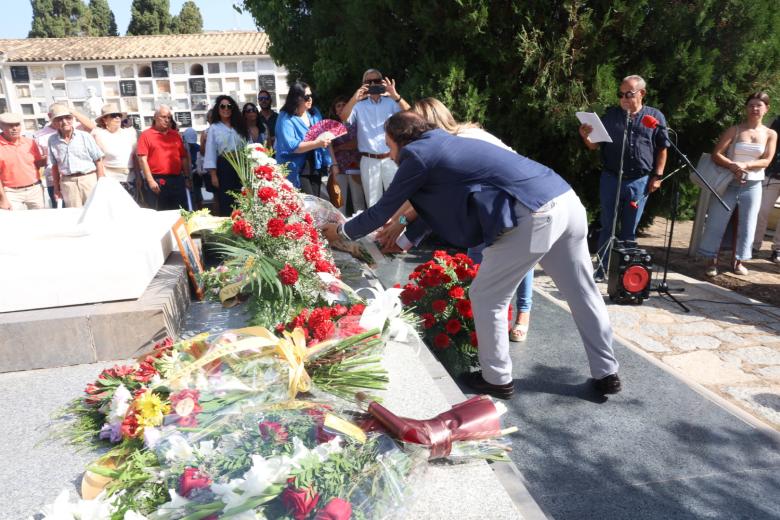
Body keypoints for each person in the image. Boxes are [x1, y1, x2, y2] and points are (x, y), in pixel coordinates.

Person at [324, 111, 621, 399]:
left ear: (402, 140)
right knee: (583, 292)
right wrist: (405, 241)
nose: (390, 155)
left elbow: (382, 210)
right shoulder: (445, 143)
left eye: (389, 147)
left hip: (536, 212)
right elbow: (434, 207)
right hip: (565, 200)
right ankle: (607, 372)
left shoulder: (417, 154)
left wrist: (341, 232)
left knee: (487, 295)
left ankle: (497, 379)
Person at [377, 97, 535, 341]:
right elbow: (419, 196)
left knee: (519, 264)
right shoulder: (439, 148)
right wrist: (393, 227)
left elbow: (430, 204)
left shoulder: (461, 141)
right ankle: (477, 321)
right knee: (474, 266)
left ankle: (520, 314)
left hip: (515, 203)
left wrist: (399, 230)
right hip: (483, 209)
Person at [579, 74, 670, 281]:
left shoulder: (654, 117)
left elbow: (663, 149)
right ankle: (601, 269)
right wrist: (586, 136)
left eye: (628, 94)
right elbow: (594, 146)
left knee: (629, 229)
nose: (624, 99)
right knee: (607, 225)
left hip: (639, 181)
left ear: (641, 93)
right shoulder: (611, 116)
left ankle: (625, 273)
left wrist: (657, 176)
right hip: (611, 178)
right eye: (620, 95)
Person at [698, 92, 777, 276]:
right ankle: (711, 261)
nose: (754, 109)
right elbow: (717, 154)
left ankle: (738, 261)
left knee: (747, 224)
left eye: (759, 105)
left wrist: (746, 165)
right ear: (746, 107)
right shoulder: (735, 129)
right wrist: (733, 166)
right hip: (728, 182)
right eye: (751, 105)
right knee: (717, 221)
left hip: (753, 184)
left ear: (766, 108)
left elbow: (767, 160)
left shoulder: (770, 133)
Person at [340, 68, 411, 207]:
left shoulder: (391, 102)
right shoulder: (358, 105)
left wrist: (395, 95)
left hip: (390, 158)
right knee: (373, 204)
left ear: (382, 82)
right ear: (363, 84)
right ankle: (377, 230)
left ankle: (399, 228)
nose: (373, 84)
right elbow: (343, 117)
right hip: (369, 160)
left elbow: (411, 114)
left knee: (397, 201)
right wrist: (355, 97)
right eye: (369, 82)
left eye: (376, 81)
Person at [275, 81, 338, 195]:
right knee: (306, 205)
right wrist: (317, 143)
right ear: (296, 98)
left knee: (316, 204)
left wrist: (333, 163)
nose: (310, 99)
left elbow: (326, 139)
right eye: (306, 96)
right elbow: (292, 147)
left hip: (315, 166)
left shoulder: (314, 113)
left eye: (311, 96)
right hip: (296, 169)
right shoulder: (285, 118)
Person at [48, 105, 105, 208]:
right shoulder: (52, 140)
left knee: (95, 211)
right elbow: (54, 166)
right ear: (54, 122)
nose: (65, 122)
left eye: (68, 118)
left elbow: (98, 160)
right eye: (60, 119)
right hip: (68, 183)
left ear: (73, 119)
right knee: (74, 214)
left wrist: (101, 182)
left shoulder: (85, 136)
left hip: (88, 179)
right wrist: (56, 189)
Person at [137, 105, 191, 211]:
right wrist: (150, 180)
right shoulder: (146, 135)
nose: (167, 120)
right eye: (163, 117)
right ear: (155, 117)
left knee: (181, 212)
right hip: (158, 179)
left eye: (169, 117)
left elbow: (183, 157)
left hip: (177, 180)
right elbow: (142, 159)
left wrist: (187, 177)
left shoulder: (175, 134)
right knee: (160, 212)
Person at [204, 95, 248, 216]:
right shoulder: (214, 128)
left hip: (242, 166)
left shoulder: (240, 126)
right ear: (218, 109)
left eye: (229, 106)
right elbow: (210, 151)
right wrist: (213, 175)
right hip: (224, 167)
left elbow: (249, 145)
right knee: (226, 200)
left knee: (243, 198)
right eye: (222, 106)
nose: (226, 109)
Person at [0, 112, 47, 210]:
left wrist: (51, 157)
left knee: (40, 221)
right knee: (16, 223)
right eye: (10, 126)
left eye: (17, 125)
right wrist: (2, 199)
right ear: (1, 126)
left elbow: (37, 164)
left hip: (35, 190)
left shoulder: (30, 142)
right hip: (11, 193)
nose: (15, 128)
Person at [92, 103, 138, 197]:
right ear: (104, 119)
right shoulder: (98, 134)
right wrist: (101, 180)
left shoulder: (130, 133)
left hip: (131, 179)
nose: (117, 118)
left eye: (119, 115)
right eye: (113, 115)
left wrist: (139, 176)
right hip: (111, 181)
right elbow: (98, 160)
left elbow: (135, 157)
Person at [330, 95, 365, 215]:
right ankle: (339, 229)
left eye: (344, 105)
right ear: (334, 110)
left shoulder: (357, 124)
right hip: (338, 167)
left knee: (358, 201)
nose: (341, 108)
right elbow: (328, 147)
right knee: (340, 201)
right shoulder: (332, 127)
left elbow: (356, 143)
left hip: (355, 166)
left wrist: (339, 147)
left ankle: (361, 228)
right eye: (338, 106)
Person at [752, 115, 780, 264]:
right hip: (773, 174)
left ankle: (778, 249)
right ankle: (754, 245)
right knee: (761, 211)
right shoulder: (778, 120)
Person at [33, 103, 64, 208]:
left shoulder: (74, 128)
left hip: (73, 178)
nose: (62, 119)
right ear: (50, 116)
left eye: (65, 115)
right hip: (52, 180)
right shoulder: (39, 135)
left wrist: (72, 111)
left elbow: (91, 127)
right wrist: (51, 156)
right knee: (59, 211)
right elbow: (38, 162)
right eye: (58, 116)